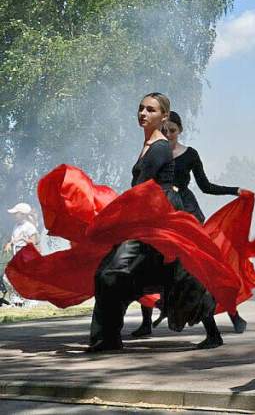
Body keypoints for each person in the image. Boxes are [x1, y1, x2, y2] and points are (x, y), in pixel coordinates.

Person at [88, 93, 223, 352]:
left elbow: (144, 188)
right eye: (140, 108)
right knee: (170, 276)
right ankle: (109, 338)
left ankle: (108, 340)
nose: (143, 113)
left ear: (164, 116)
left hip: (158, 218)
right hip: (149, 216)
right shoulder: (151, 144)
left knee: (113, 274)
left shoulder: (160, 147)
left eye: (150, 110)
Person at [132, 111, 246, 336]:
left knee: (202, 267)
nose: (168, 135)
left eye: (172, 130)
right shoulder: (153, 152)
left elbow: (205, 186)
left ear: (180, 130)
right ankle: (146, 322)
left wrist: (235, 191)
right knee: (145, 261)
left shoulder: (190, 154)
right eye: (164, 131)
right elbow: (139, 181)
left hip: (186, 213)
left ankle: (234, 316)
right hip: (159, 212)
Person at [3, 203, 39, 306]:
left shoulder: (29, 227)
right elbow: (15, 239)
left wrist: (23, 239)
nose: (14, 215)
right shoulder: (16, 226)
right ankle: (17, 301)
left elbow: (34, 242)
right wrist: (10, 243)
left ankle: (30, 302)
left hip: (25, 257)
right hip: (17, 256)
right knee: (8, 278)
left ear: (22, 214)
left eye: (16, 213)